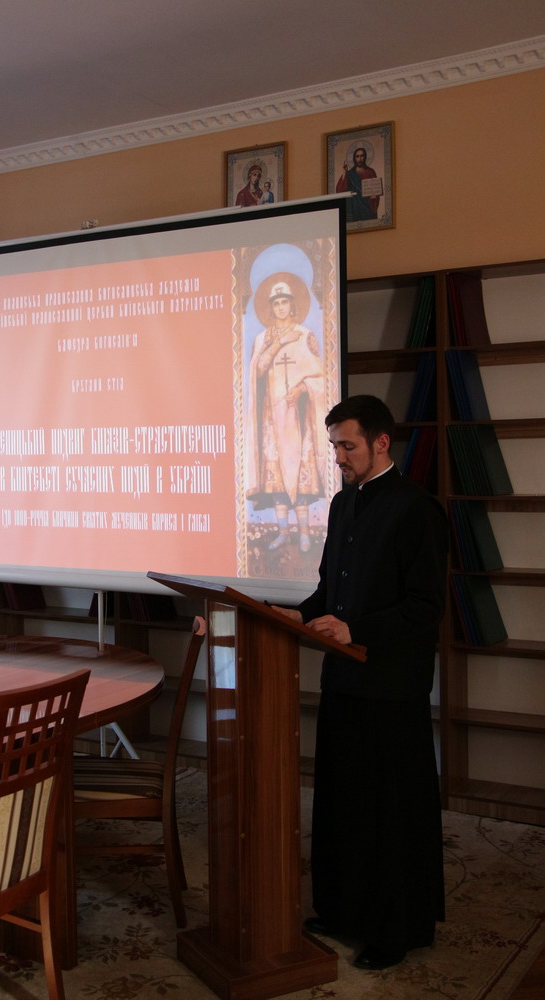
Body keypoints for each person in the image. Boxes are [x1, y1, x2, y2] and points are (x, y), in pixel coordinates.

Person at [274, 394, 448, 970]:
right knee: (342, 801)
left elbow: (425, 606)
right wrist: (294, 616)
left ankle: (394, 930)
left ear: (381, 442)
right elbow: (330, 592)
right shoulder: (342, 504)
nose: (338, 458)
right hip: (344, 680)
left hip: (392, 687)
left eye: (347, 446)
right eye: (334, 447)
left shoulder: (417, 509)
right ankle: (343, 909)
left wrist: (356, 629)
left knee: (388, 813)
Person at [245, 277, 327, 553]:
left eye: (285, 302)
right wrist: (279, 343)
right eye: (276, 303)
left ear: (292, 305)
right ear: (271, 307)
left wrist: (302, 389)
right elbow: (258, 371)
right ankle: (283, 533)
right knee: (277, 478)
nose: (281, 307)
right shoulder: (263, 339)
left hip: (297, 417)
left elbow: (319, 377)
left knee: (300, 477)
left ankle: (304, 534)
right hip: (272, 416)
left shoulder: (305, 335)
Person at [335, 146, 381, 222]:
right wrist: (345, 172)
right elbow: (340, 190)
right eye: (357, 156)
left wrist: (373, 197)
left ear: (365, 157)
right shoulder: (350, 174)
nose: (359, 159)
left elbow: (375, 190)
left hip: (367, 207)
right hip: (354, 208)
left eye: (362, 156)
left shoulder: (370, 172)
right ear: (354, 158)